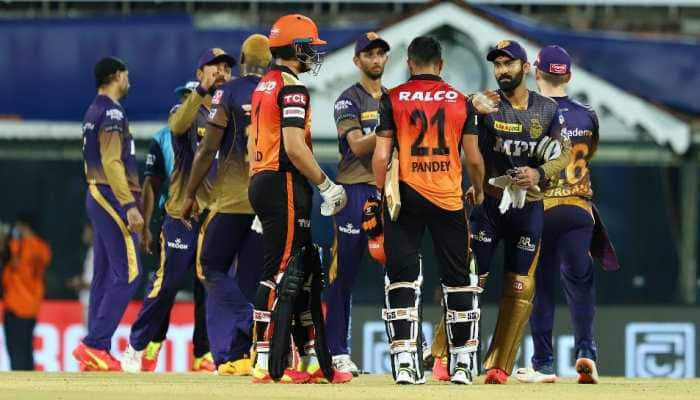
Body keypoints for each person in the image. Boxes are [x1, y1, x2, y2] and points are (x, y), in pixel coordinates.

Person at [372, 35, 485, 385]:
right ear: (441, 64)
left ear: (409, 64)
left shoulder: (392, 98)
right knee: (457, 281)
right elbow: (474, 158)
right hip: (449, 199)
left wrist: (382, 191)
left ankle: (405, 363)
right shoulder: (460, 101)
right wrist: (478, 188)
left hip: (405, 196)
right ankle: (463, 365)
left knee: (402, 278)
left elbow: (380, 156)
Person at [248, 14, 350, 385]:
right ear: (294, 49)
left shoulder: (264, 83)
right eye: (309, 46)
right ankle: (268, 361)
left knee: (304, 273)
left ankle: (309, 359)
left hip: (264, 179)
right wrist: (326, 184)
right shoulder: (292, 89)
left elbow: (253, 141)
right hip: (284, 182)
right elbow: (293, 146)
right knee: (283, 272)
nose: (313, 54)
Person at [121, 49, 235, 373]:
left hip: (218, 214)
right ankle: (136, 345)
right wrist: (200, 92)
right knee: (167, 284)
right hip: (181, 216)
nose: (222, 72)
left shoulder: (232, 110)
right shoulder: (184, 110)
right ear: (201, 73)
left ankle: (220, 355)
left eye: (227, 68)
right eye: (216, 67)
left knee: (216, 285)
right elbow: (178, 125)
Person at [469, 40, 572, 384]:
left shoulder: (546, 109)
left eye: (508, 64)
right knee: (470, 282)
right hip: (489, 204)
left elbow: (564, 154)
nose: (501, 71)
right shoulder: (485, 104)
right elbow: (461, 142)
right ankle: (448, 355)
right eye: (497, 65)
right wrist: (469, 108)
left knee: (518, 286)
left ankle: (499, 364)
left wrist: (539, 173)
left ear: (525, 69)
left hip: (527, 207)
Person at [514, 45, 617, 385]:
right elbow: (590, 153)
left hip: (541, 209)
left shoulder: (528, 113)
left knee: (541, 286)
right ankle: (586, 350)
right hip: (579, 209)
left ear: (534, 71)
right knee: (580, 281)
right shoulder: (587, 115)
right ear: (568, 76)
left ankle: (543, 364)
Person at [182, 34, 272, 375]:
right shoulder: (278, 91)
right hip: (266, 201)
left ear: (244, 60)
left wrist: (190, 193)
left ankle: (252, 323)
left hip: (232, 199)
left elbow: (207, 149)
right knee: (250, 278)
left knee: (209, 266)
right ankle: (238, 355)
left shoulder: (229, 92)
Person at [131, 81, 214, 372]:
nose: (189, 103)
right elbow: (151, 183)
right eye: (185, 97)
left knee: (207, 285)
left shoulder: (215, 127)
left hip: (207, 215)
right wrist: (146, 226)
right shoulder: (164, 137)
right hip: (173, 215)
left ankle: (203, 353)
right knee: (168, 283)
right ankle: (151, 343)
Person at [324, 31, 390, 376]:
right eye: (369, 55)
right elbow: (356, 145)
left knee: (401, 272)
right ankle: (337, 351)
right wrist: (390, 130)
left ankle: (405, 347)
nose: (376, 59)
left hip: (387, 192)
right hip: (353, 193)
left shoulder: (393, 98)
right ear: (357, 61)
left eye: (380, 54)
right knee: (343, 273)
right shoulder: (347, 100)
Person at [73, 56, 143, 372]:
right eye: (126, 75)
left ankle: (94, 352)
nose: (129, 80)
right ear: (116, 76)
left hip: (97, 193)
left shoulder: (93, 110)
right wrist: (129, 205)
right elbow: (113, 162)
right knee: (129, 273)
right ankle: (95, 343)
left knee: (103, 274)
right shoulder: (112, 111)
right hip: (110, 196)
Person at [2, 213, 52, 370]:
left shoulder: (17, 245)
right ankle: (30, 384)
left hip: (16, 304)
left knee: (15, 350)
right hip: (32, 306)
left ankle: (19, 388)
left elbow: (5, 251)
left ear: (24, 226)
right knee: (26, 349)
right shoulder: (43, 248)